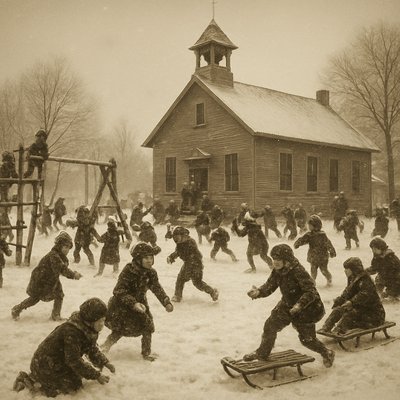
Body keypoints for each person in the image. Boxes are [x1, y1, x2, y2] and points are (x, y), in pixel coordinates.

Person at [244, 244, 335, 368]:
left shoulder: (298, 271)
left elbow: (310, 292)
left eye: (278, 259)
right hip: (287, 304)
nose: (274, 262)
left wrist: (299, 305)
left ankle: (327, 352)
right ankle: (262, 353)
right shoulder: (278, 270)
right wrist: (259, 292)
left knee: (307, 340)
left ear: (286, 260)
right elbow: (270, 285)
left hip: (306, 309)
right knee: (270, 326)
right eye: (273, 258)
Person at [13, 298, 114, 397]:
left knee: (75, 379)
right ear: (90, 320)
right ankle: (28, 381)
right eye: (99, 321)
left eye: (103, 320)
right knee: (71, 387)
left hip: (58, 361)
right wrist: (96, 375)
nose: (102, 324)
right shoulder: (72, 333)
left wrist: (104, 362)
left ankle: (40, 379)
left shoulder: (87, 329)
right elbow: (73, 360)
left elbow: (91, 348)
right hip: (44, 363)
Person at [101, 243, 173, 361]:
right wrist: (133, 303)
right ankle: (106, 346)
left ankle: (146, 353)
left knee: (147, 326)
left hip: (141, 303)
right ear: (138, 259)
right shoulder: (129, 271)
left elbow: (156, 287)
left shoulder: (151, 272)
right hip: (122, 305)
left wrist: (166, 301)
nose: (150, 261)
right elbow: (118, 291)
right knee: (120, 329)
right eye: (146, 258)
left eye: (151, 258)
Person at [11, 231, 82, 321]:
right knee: (35, 298)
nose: (67, 250)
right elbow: (61, 268)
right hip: (41, 279)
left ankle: (55, 315)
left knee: (59, 295)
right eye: (65, 247)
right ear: (59, 246)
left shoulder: (60, 255)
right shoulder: (54, 255)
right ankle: (16, 309)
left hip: (51, 279)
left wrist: (72, 273)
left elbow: (62, 268)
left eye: (68, 247)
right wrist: (73, 274)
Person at [320, 257, 385, 335]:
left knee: (349, 315)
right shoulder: (352, 278)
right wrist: (339, 300)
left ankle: (339, 331)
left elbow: (364, 295)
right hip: (360, 309)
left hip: (373, 314)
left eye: (347, 269)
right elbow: (347, 292)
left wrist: (351, 302)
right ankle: (326, 327)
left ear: (353, 269)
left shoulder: (365, 280)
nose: (345, 271)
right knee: (338, 310)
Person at [167, 226, 219, 303]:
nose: (176, 240)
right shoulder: (180, 243)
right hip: (192, 264)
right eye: (175, 238)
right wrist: (172, 257)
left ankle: (178, 296)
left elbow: (191, 253)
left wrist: (190, 265)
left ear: (184, 235)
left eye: (177, 237)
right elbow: (178, 252)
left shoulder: (190, 242)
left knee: (182, 280)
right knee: (197, 283)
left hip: (194, 264)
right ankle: (212, 292)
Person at [294, 215, 336, 286]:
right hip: (314, 256)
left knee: (324, 270)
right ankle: (312, 281)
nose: (309, 227)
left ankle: (329, 278)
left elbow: (328, 243)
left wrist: (332, 251)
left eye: (310, 225)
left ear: (316, 226)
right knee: (313, 269)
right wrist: (298, 243)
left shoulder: (322, 235)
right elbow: (303, 240)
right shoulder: (309, 235)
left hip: (322, 256)